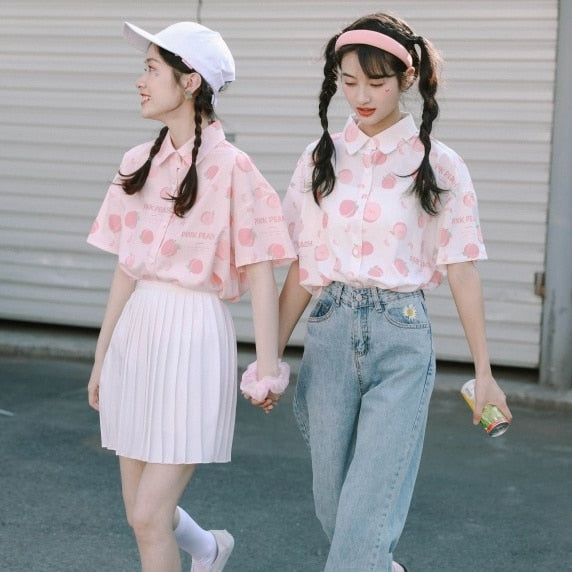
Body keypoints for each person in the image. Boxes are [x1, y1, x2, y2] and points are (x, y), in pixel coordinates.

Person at [277, 12, 513, 572]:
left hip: (401, 334)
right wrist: (269, 354)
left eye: (376, 82)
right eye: (348, 81)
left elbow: (461, 269)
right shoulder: (319, 159)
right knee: (335, 502)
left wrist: (484, 371)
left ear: (408, 79)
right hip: (331, 327)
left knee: (368, 510)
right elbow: (302, 268)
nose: (359, 95)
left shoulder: (440, 165)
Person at [86, 21, 294, 572]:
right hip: (137, 331)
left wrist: (267, 367)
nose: (140, 81)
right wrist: (101, 357)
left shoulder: (233, 169)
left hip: (194, 335)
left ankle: (204, 549)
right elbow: (126, 271)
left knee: (151, 516)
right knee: (139, 512)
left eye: (152, 69)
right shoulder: (137, 163)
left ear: (191, 81)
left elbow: (260, 271)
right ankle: (208, 548)